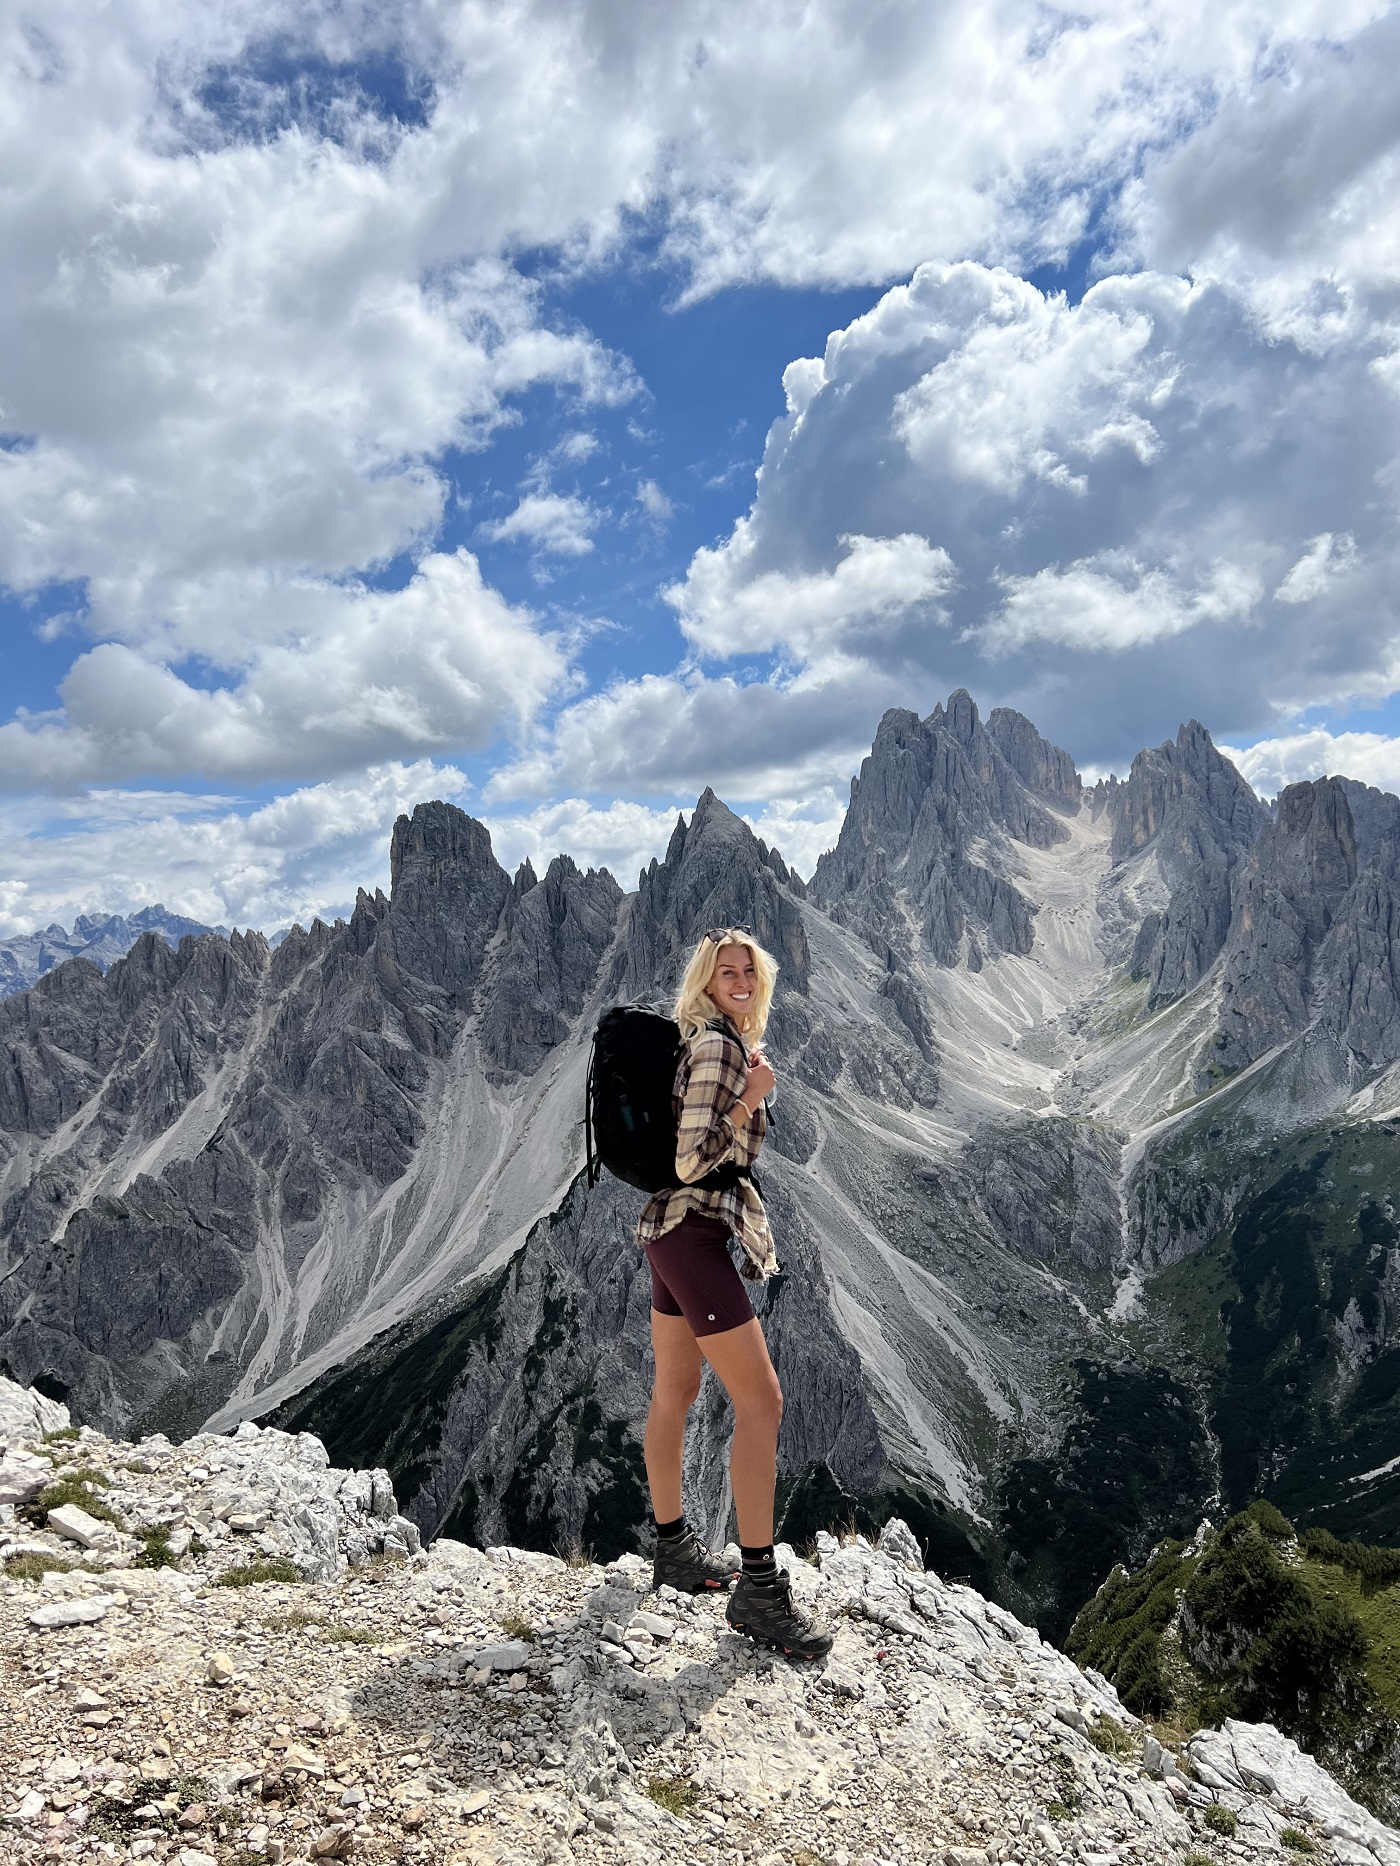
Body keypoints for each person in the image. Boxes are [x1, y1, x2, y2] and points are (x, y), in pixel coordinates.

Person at [635, 925, 833, 1659]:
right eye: (727, 971)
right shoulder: (719, 1048)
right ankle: (757, 1589)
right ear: (707, 981)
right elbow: (692, 1159)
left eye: (750, 968)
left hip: (670, 1235)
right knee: (764, 1403)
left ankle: (672, 1549)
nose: (741, 979)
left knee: (674, 1394)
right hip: (690, 1234)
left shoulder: (715, 1039)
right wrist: (751, 1098)